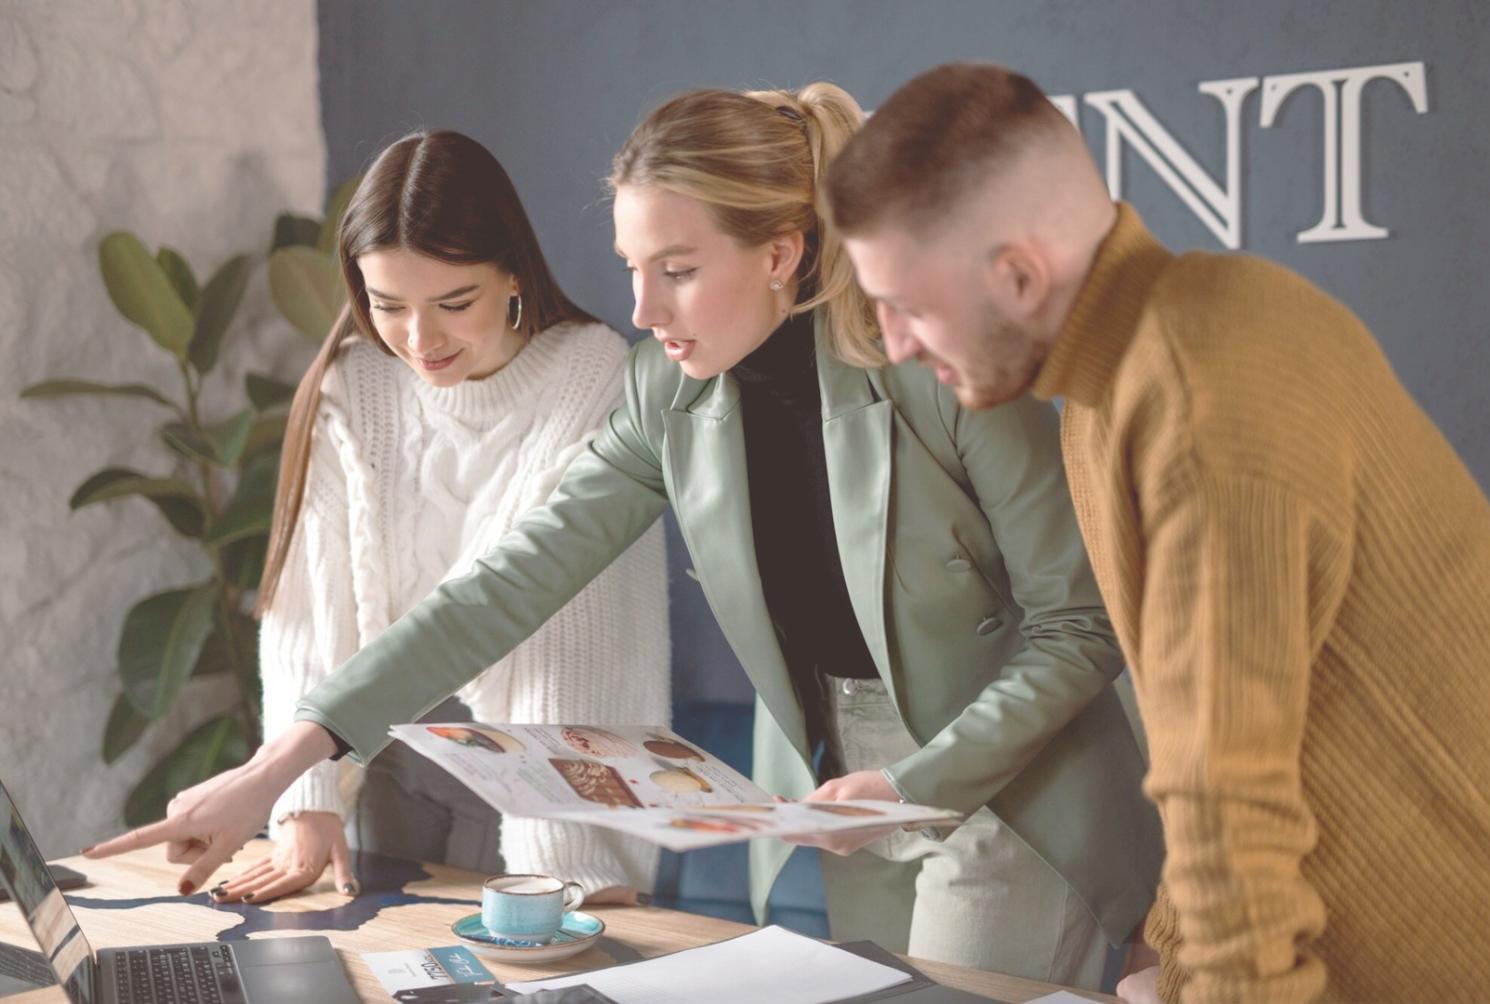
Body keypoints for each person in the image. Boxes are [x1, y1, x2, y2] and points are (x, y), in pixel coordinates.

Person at [86, 85, 1162, 989]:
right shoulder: (665, 395)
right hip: (843, 786)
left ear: (781, 251)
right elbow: (497, 589)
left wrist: (916, 778)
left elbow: (1081, 626)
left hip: (1014, 782)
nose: (641, 309)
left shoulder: (933, 366)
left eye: (678, 270)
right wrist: (278, 765)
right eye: (632, 266)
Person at [823, 60, 1490, 1004]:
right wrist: (1171, 957)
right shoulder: (1123, 382)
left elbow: (1228, 796)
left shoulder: (1198, 393)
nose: (894, 344)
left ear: (1018, 274)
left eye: (905, 306)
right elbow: (1205, 753)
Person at [213, 130, 671, 908]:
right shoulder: (353, 386)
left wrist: (568, 857)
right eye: (388, 305)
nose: (420, 340)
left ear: (513, 274)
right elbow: (310, 611)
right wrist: (306, 799)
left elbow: (555, 632)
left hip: (534, 788)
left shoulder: (595, 377)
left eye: (454, 303)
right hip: (381, 764)